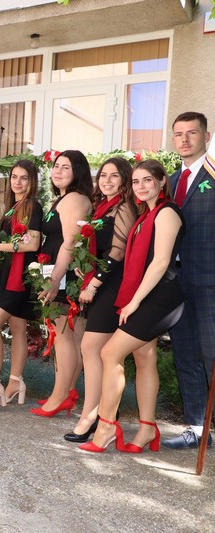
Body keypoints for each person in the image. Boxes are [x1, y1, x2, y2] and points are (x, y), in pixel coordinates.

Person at [80, 159, 184, 453]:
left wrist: (133, 301)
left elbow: (161, 262)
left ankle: (106, 426)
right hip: (146, 294)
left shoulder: (167, 212)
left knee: (110, 352)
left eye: (147, 180)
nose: (140, 186)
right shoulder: (145, 215)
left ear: (161, 181)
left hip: (160, 297)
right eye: (136, 182)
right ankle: (147, 428)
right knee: (144, 356)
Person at [64, 158, 136, 441]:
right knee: (96, 351)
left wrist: (93, 284)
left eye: (114, 176)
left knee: (91, 347)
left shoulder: (124, 207)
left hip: (112, 285)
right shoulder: (102, 206)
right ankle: (101, 414)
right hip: (101, 282)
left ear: (124, 179)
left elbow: (118, 251)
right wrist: (84, 265)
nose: (106, 180)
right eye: (103, 175)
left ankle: (91, 415)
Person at [164, 111, 215, 450]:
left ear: (206, 137)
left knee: (212, 356)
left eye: (191, 133)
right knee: (186, 355)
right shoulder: (168, 182)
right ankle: (198, 429)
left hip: (210, 280)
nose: (184, 139)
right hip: (175, 281)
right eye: (178, 134)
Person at [32, 150, 92, 417]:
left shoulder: (73, 199)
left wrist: (54, 278)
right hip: (63, 272)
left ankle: (59, 398)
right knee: (72, 337)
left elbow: (70, 242)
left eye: (66, 167)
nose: (58, 171)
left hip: (64, 274)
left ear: (78, 171)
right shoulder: (66, 198)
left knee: (63, 337)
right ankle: (66, 392)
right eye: (56, 166)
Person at [0, 161, 43, 411]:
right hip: (9, 273)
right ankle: (15, 381)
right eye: (14, 177)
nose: (17, 182)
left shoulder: (32, 206)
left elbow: (33, 244)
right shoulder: (14, 206)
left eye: (24, 178)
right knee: (17, 327)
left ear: (32, 181)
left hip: (19, 277)